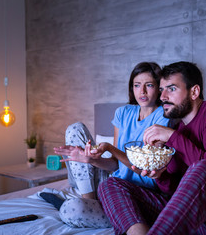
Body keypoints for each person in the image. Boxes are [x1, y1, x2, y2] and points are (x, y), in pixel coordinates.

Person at [97, 61, 206, 235]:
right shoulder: (179, 129)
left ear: (194, 92)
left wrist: (172, 137)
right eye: (162, 89)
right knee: (110, 184)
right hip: (189, 217)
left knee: (203, 167)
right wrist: (160, 175)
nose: (163, 96)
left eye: (171, 89)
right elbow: (174, 189)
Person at [40, 62, 170, 228]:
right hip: (110, 183)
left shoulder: (163, 118)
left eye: (149, 85)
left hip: (137, 191)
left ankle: (95, 207)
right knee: (75, 129)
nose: (142, 91)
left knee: (70, 210)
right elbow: (114, 165)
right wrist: (90, 160)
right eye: (137, 85)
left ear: (159, 88)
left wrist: (110, 148)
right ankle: (90, 200)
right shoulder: (123, 113)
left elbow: (145, 167)